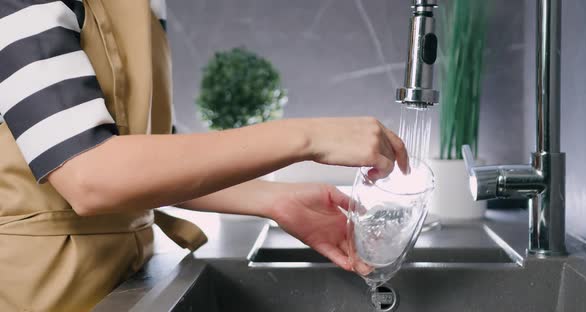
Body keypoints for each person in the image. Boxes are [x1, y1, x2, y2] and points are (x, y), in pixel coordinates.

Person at [0, 0, 408, 311]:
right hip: (40, 289)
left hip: (122, 283)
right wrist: (308, 136)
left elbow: (149, 162)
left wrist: (272, 200)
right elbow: (88, 175)